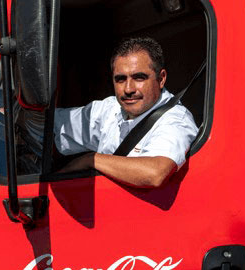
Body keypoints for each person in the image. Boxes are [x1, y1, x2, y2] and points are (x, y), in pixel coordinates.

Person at [53, 37, 198, 188]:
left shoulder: (176, 120)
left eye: (139, 77)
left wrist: (91, 160)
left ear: (161, 79)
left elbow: (154, 173)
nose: (128, 89)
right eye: (120, 79)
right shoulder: (110, 108)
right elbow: (50, 127)